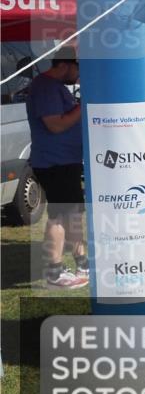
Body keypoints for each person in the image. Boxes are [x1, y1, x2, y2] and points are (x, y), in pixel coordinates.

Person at [26, 49, 88, 288]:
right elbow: (55, 126)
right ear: (64, 65)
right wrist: (83, 105)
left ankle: (82, 264)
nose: (78, 73)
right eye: (77, 68)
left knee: (71, 215)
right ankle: (54, 272)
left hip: (64, 162)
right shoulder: (46, 87)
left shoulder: (54, 87)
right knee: (60, 216)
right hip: (54, 163)